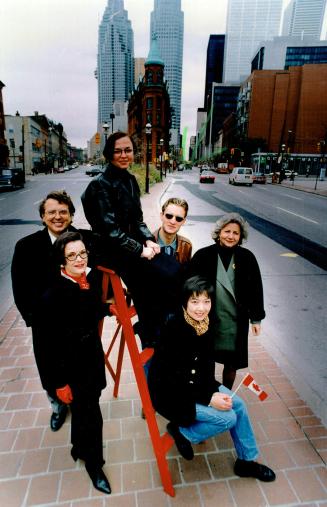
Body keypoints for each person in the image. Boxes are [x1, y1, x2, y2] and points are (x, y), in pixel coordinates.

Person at [148, 276, 275, 482]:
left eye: (206, 301)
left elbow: (205, 368)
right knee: (228, 418)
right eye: (194, 301)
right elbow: (175, 379)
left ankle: (246, 462)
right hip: (171, 395)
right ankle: (182, 432)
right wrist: (209, 399)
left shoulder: (206, 324)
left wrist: (213, 392)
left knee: (239, 405)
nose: (201, 308)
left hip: (197, 384)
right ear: (185, 302)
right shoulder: (175, 330)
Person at [81, 131, 182, 347]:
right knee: (147, 277)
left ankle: (167, 323)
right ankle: (149, 334)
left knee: (174, 269)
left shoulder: (130, 180)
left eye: (128, 150)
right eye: (118, 151)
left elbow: (138, 219)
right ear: (109, 154)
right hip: (109, 250)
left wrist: (148, 240)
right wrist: (139, 250)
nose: (124, 155)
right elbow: (110, 230)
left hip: (129, 245)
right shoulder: (100, 185)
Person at [11, 190, 94, 432]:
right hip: (45, 324)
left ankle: (77, 403)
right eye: (52, 212)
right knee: (49, 369)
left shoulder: (85, 240)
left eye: (63, 212)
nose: (57, 217)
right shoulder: (26, 246)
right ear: (43, 216)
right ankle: (57, 407)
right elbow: (20, 290)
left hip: (79, 323)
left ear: (70, 215)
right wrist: (35, 319)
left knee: (78, 369)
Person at [39, 231, 111, 494]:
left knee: (85, 410)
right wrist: (59, 384)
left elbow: (89, 310)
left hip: (91, 361)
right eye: (72, 255)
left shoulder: (85, 280)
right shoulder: (51, 297)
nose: (80, 259)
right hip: (71, 371)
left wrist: (108, 309)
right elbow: (47, 349)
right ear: (61, 261)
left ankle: (78, 447)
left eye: (83, 253)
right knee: (92, 416)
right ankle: (95, 465)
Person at [188, 213, 265, 389]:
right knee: (206, 358)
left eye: (235, 233)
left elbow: (256, 289)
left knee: (231, 362)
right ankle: (208, 392)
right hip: (208, 319)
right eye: (227, 231)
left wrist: (256, 319)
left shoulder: (247, 258)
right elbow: (189, 286)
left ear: (240, 236)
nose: (230, 236)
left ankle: (227, 392)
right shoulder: (203, 255)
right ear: (219, 232)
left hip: (235, 321)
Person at [153, 197, 192, 264]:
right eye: (169, 216)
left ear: (183, 221)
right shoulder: (146, 243)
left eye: (179, 218)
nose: (173, 222)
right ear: (161, 216)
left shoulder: (186, 246)